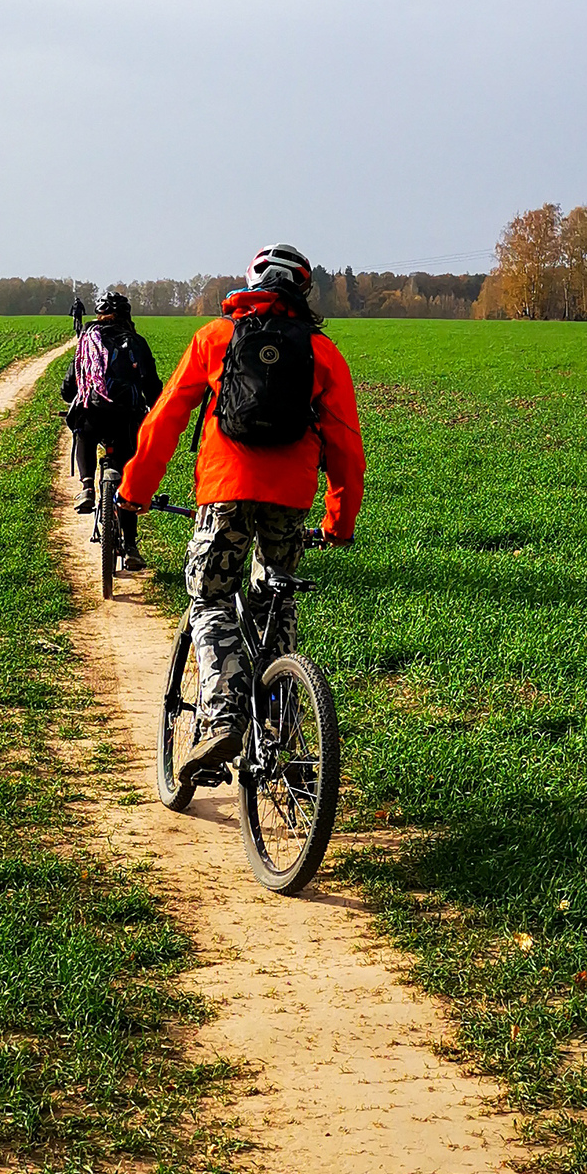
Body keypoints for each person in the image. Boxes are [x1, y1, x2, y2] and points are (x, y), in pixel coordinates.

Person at [117, 242, 364, 781]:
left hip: (224, 493)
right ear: (302, 289)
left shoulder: (214, 338)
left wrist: (135, 491)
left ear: (250, 284)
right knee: (277, 593)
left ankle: (225, 714)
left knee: (209, 599)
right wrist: (338, 522)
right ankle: (286, 732)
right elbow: (346, 445)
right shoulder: (323, 353)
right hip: (291, 500)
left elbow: (164, 420)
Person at [60, 290, 162, 566]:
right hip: (127, 416)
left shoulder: (88, 339)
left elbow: (69, 387)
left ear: (98, 314)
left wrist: (75, 397)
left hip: (94, 412)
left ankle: (87, 487)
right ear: (127, 315)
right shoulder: (137, 342)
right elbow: (152, 385)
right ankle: (130, 548)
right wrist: (154, 408)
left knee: (84, 432)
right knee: (126, 478)